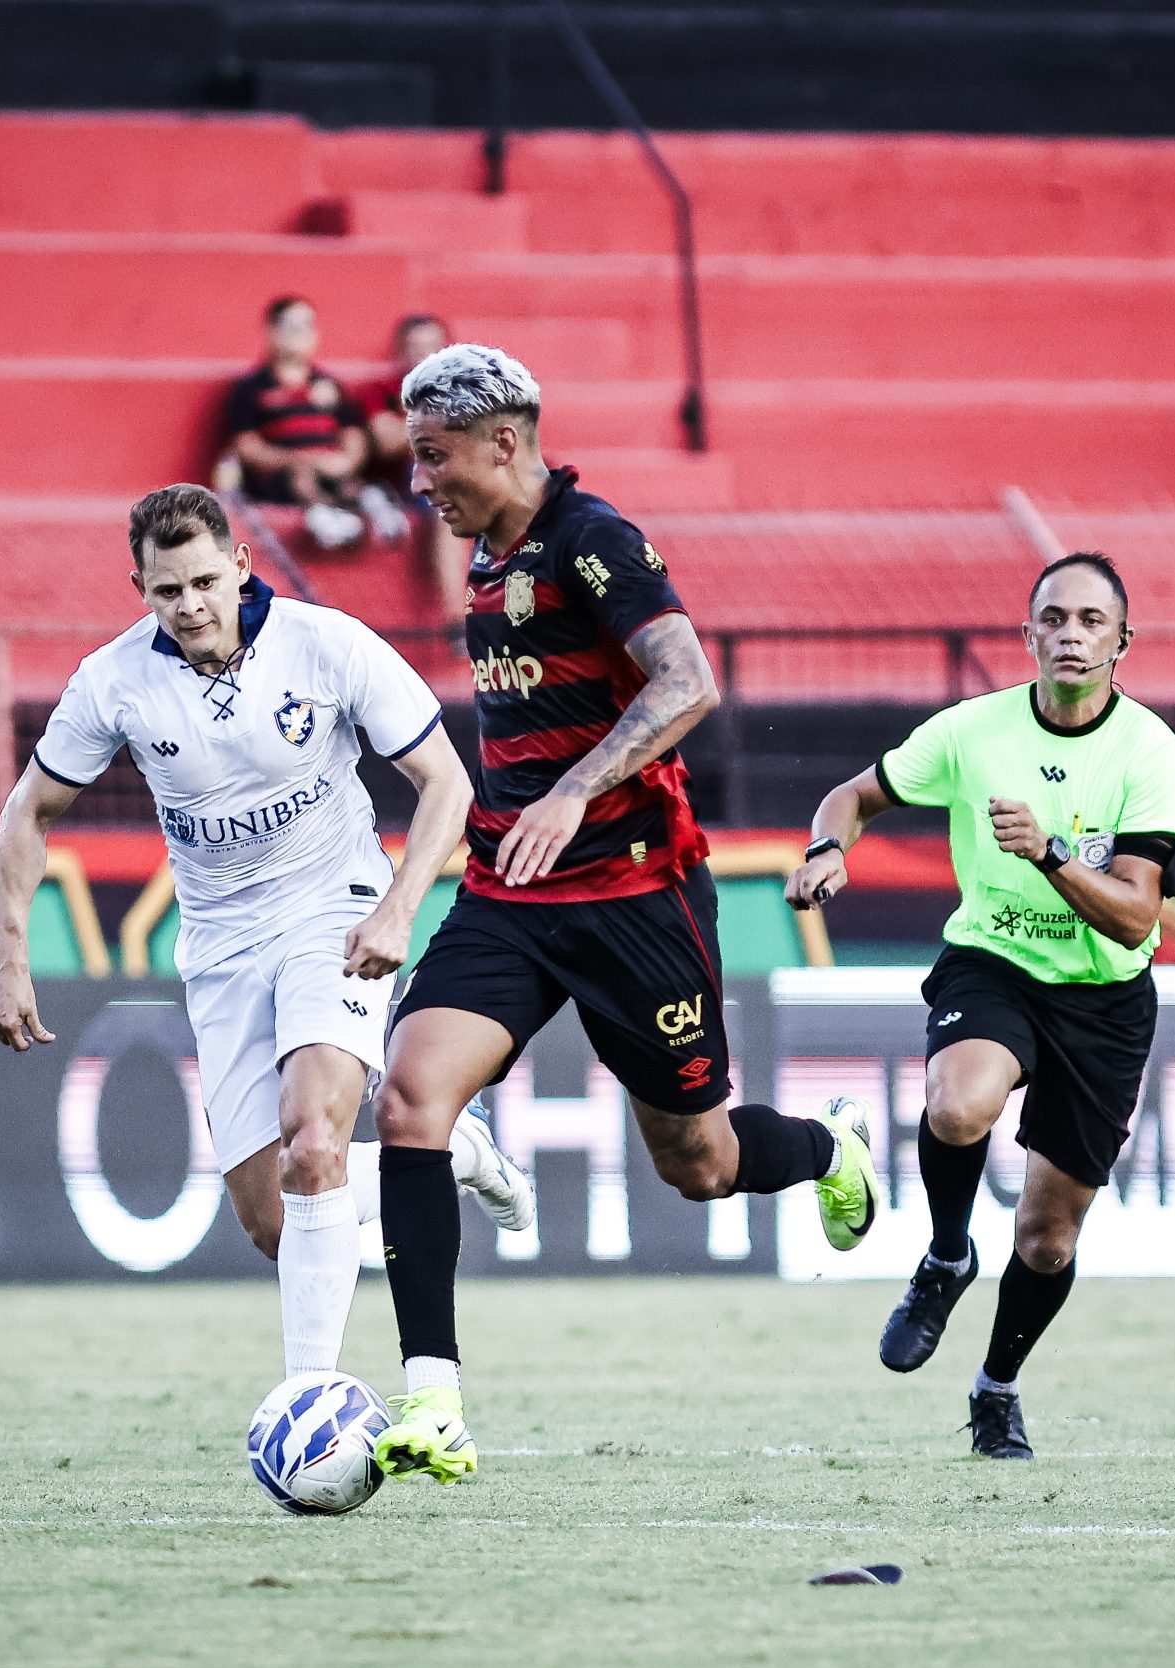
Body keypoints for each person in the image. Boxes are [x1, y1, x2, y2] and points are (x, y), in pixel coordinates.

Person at [365, 344, 878, 1485]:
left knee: (695, 1165)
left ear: (506, 441)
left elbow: (687, 681)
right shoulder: (485, 554)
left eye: (434, 457)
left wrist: (569, 791)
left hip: (634, 894)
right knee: (409, 1098)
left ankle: (830, 1148)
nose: (420, 484)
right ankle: (433, 1402)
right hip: (508, 889)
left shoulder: (594, 540)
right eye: (414, 460)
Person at [0, 483, 534, 1387]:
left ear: (240, 564)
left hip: (334, 909)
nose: (190, 606)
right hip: (221, 942)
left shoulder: (327, 644)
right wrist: (9, 959)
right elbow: (28, 812)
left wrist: (395, 905)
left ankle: (308, 1405)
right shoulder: (114, 682)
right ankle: (455, 1150)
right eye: (167, 591)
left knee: (313, 1137)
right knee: (277, 1221)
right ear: (140, 588)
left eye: (203, 580)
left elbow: (447, 783)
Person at [789, 553, 1175, 1460]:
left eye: (1093, 621)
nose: (1072, 635)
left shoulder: (1153, 753)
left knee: (1048, 1240)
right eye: (1054, 618)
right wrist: (826, 847)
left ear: (1123, 642)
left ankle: (996, 1389)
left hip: (1103, 997)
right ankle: (943, 1257)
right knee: (957, 1103)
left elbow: (1134, 920)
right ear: (1029, 636)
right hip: (993, 960)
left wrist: (1052, 854)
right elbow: (855, 794)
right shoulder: (973, 730)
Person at [220, 296, 408, 551]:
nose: (300, 333)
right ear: (271, 331)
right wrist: (300, 460)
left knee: (351, 484)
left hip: (332, 468)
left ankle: (376, 508)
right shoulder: (250, 388)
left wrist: (346, 461)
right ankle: (324, 517)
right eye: (291, 325)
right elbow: (246, 446)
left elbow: (354, 435)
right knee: (302, 478)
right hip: (283, 474)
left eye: (307, 324)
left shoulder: (331, 384)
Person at [366, 313, 471, 612]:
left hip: (464, 474)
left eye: (432, 347)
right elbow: (385, 441)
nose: (424, 356)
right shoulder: (383, 392)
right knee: (447, 509)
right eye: (415, 347)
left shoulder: (467, 391)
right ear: (400, 351)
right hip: (414, 483)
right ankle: (457, 620)